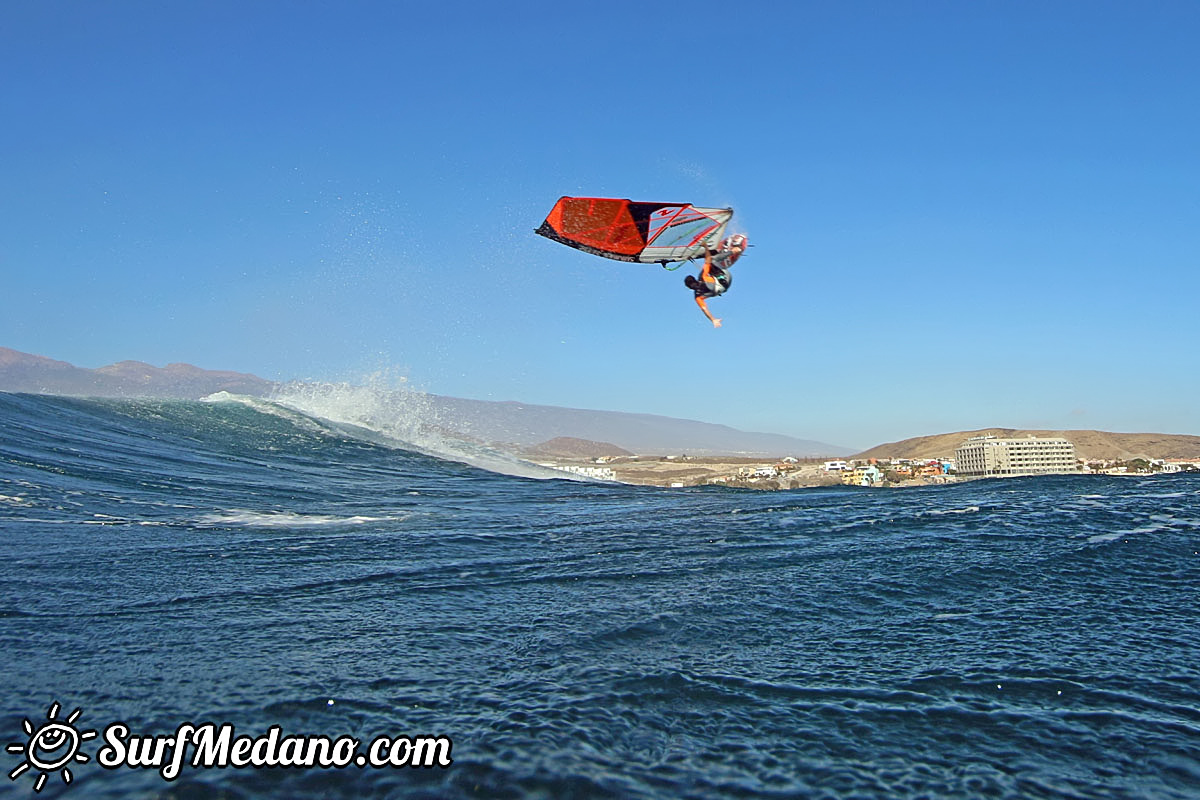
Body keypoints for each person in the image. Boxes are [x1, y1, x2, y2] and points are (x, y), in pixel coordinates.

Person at [683, 233, 748, 328]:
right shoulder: (703, 277)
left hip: (724, 288)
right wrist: (705, 247)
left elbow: (705, 310)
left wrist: (713, 320)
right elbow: (708, 259)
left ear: (690, 288)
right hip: (726, 278)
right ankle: (734, 251)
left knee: (708, 269)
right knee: (712, 261)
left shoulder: (697, 296)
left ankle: (721, 263)